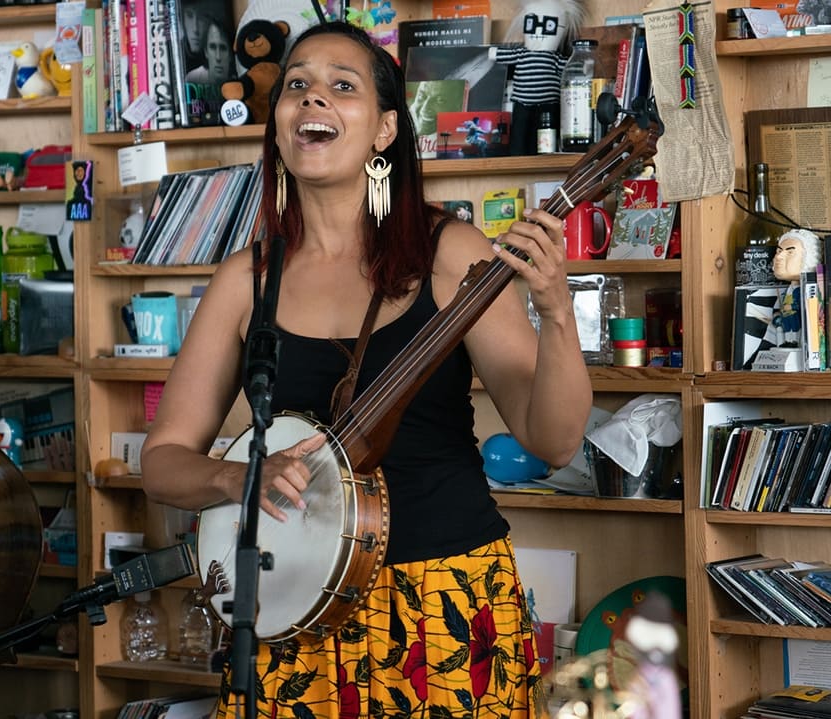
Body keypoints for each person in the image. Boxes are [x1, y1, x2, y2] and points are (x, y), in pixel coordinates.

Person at [140, 21, 590, 718]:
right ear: (279, 122)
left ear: (384, 131)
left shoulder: (449, 252)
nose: (312, 98)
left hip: (444, 601)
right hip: (293, 613)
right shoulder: (245, 281)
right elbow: (164, 459)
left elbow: (554, 440)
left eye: (340, 86)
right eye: (297, 86)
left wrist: (556, 311)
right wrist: (239, 478)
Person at [494, 0, 586, 155]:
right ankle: (518, 153)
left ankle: (542, 154)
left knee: (545, 135)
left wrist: (583, 65)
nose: (538, 30)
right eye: (532, 23)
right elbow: (503, 54)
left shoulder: (554, 58)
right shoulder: (521, 53)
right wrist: (491, 53)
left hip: (548, 104)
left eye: (549, 26)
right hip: (522, 103)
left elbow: (571, 66)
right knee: (519, 131)